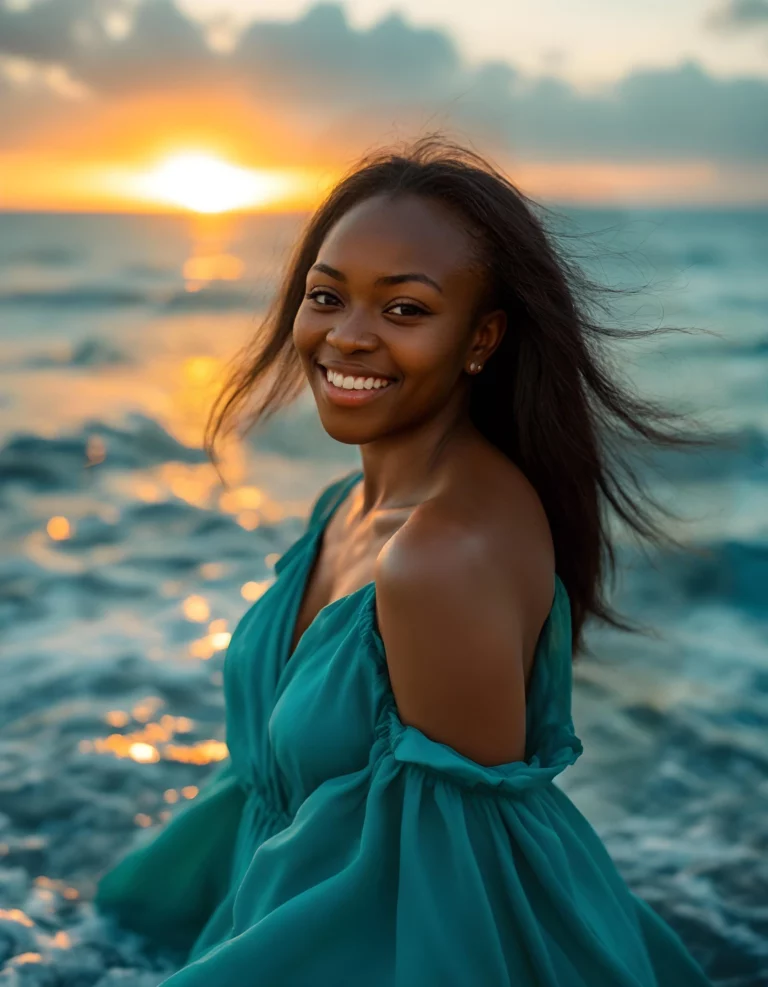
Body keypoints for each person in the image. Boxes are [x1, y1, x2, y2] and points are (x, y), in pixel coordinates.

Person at [94, 134, 714, 985]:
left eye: (405, 309)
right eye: (326, 296)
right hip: (267, 919)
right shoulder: (344, 509)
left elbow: (458, 897)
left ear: (481, 338)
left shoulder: (440, 561)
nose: (346, 338)